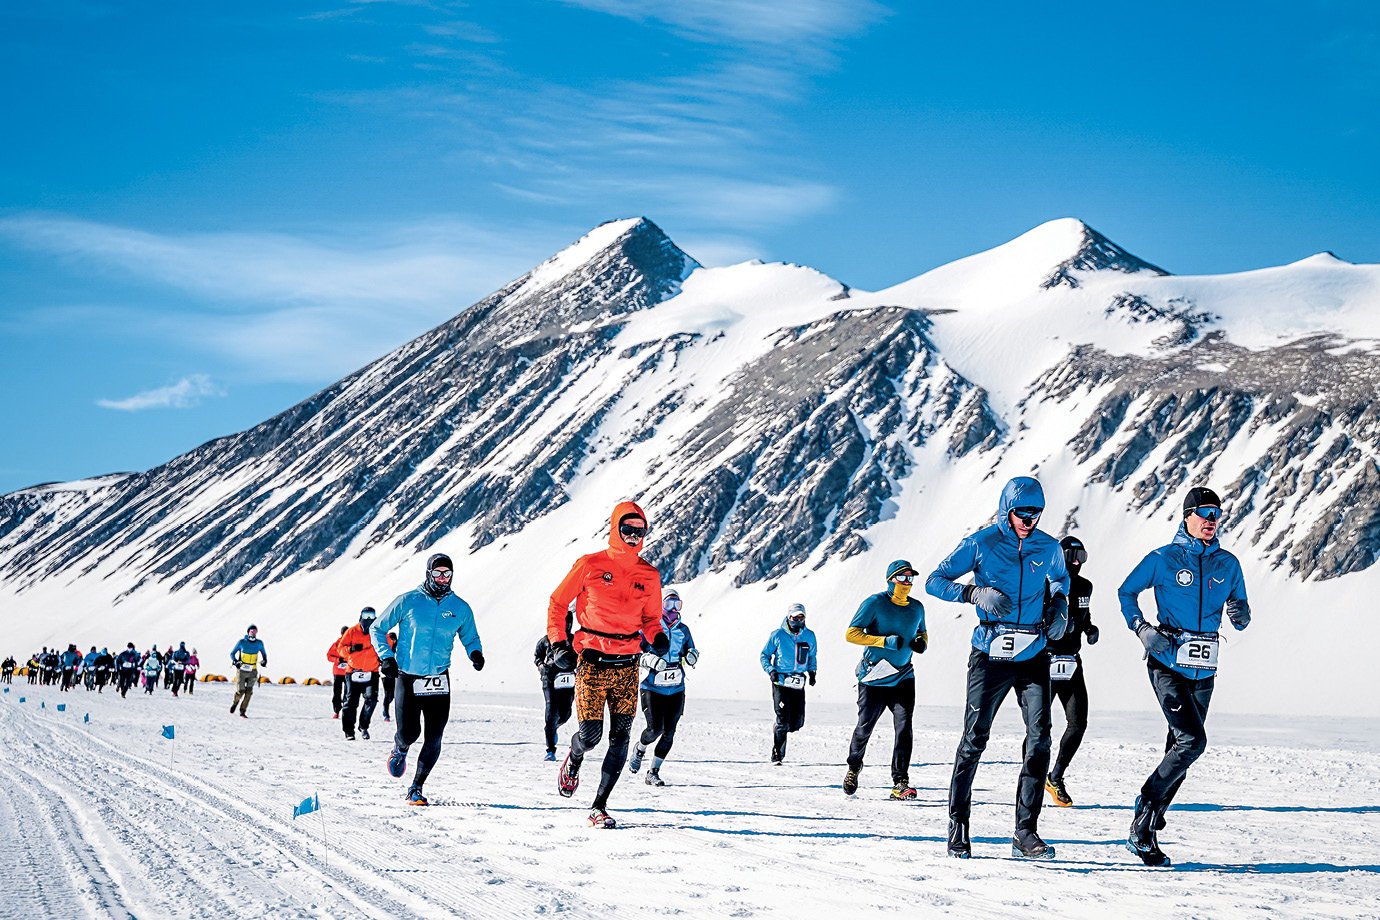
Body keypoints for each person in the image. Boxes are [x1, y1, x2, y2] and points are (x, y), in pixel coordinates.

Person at [926, 475, 1070, 860]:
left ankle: (1026, 833)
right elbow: (934, 581)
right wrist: (973, 592)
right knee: (975, 739)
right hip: (990, 654)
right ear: (1007, 509)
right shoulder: (981, 543)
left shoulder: (1049, 546)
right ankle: (958, 825)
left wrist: (1059, 606)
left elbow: (1060, 579)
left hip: (1033, 651)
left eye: (1036, 513)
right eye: (1022, 512)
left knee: (1040, 739)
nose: (1029, 520)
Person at [1119, 486, 1249, 867]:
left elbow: (1241, 607)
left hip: (1204, 667)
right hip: (1167, 663)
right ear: (1188, 516)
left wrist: (1241, 612)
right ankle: (1146, 807)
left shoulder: (1228, 563)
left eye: (1217, 514)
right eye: (1205, 513)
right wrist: (1141, 628)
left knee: (1178, 752)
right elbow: (1126, 592)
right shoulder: (1163, 558)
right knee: (1192, 742)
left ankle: (1145, 833)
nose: (1211, 520)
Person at [547, 501, 666, 829]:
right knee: (590, 736)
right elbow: (558, 603)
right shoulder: (590, 565)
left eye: (639, 531)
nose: (632, 536)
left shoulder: (649, 575)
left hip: (628, 665)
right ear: (615, 529)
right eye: (626, 529)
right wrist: (559, 642)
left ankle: (599, 805)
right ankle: (574, 756)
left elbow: (651, 619)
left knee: (620, 737)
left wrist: (657, 636)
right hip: (592, 663)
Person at [371, 553, 484, 806]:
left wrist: (475, 653)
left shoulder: (460, 608)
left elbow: (470, 636)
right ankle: (400, 747)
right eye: (437, 573)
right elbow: (377, 628)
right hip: (408, 677)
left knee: (434, 737)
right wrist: (386, 657)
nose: (442, 579)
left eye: (447, 574)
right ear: (428, 573)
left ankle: (416, 787)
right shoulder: (408, 601)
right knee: (410, 732)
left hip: (439, 679)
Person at [843, 560, 928, 800]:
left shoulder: (917, 607)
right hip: (874, 678)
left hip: (903, 676)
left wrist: (921, 644)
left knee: (904, 727)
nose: (906, 583)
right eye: (902, 578)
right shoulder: (874, 603)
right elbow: (851, 633)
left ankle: (900, 782)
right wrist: (883, 641)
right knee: (865, 727)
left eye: (910, 578)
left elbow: (922, 632)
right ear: (890, 579)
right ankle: (853, 766)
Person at [1044, 535, 1099, 807]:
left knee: (1078, 723)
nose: (1077, 562)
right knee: (1039, 728)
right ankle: (1031, 779)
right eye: (1071, 556)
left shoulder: (1086, 586)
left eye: (1082, 556)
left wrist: (1089, 629)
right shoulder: (1046, 583)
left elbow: (1083, 615)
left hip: (1072, 662)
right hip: (1045, 662)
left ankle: (1055, 777)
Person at [629, 587, 699, 786]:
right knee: (655, 729)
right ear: (660, 605)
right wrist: (649, 659)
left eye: (677, 604)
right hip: (652, 687)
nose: (674, 608)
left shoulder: (683, 630)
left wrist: (692, 656)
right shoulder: (649, 627)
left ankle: (653, 772)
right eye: (669, 603)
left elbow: (689, 650)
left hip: (676, 688)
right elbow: (635, 652)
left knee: (669, 732)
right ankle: (640, 748)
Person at [760, 603, 818, 765]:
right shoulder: (777, 635)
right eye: (795, 617)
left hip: (798, 682)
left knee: (796, 723)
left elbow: (812, 656)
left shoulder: (810, 636)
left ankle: (781, 727)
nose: (798, 620)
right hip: (780, 681)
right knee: (783, 719)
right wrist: (771, 670)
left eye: (801, 617)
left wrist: (812, 672)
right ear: (788, 617)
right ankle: (777, 753)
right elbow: (764, 655)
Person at [534, 612, 577, 761]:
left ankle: (553, 728)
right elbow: (537, 656)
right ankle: (550, 749)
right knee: (551, 712)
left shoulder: (574, 641)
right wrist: (541, 666)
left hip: (567, 680)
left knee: (565, 714)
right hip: (550, 679)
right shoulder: (546, 640)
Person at [338, 607, 381, 741]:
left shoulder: (378, 632)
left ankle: (364, 726)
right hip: (353, 672)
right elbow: (340, 648)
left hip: (371, 672)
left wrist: (385, 659)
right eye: (366, 615)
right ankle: (349, 731)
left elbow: (387, 645)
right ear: (360, 616)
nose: (368, 619)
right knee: (350, 702)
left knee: (371, 700)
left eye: (371, 615)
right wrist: (350, 649)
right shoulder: (352, 631)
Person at [230, 625, 268, 717]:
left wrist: (264, 661)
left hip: (253, 671)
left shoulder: (259, 643)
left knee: (249, 692)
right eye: (252, 631)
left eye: (255, 631)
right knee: (241, 691)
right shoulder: (241, 642)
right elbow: (232, 653)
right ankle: (235, 702)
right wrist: (235, 662)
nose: (253, 633)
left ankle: (242, 711)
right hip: (242, 671)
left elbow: (264, 654)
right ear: (248, 632)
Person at [326, 626, 350, 719]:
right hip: (338, 672)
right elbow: (329, 656)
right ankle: (336, 711)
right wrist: (338, 659)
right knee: (337, 693)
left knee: (348, 692)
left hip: (348, 671)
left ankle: (345, 709)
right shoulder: (336, 644)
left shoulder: (351, 644)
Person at [380, 632, 397, 721]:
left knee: (392, 695)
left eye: (394, 639)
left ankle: (385, 710)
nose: (393, 641)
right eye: (391, 639)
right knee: (387, 694)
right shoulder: (385, 649)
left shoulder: (397, 649)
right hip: (385, 675)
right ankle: (386, 713)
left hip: (394, 675)